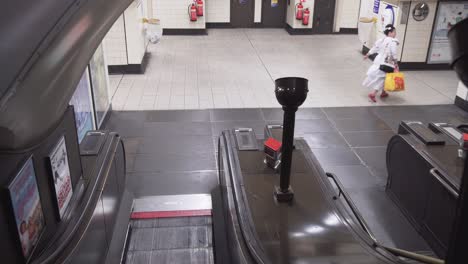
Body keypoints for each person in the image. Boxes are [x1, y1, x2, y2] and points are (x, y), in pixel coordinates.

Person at [363, 24, 399, 102]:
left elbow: (374, 48)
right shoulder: (393, 41)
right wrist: (396, 63)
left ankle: (383, 92)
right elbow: (394, 53)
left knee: (383, 76)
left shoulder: (381, 40)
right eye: (394, 32)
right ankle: (373, 93)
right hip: (387, 61)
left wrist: (368, 54)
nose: (395, 34)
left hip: (378, 60)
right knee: (383, 78)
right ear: (390, 33)